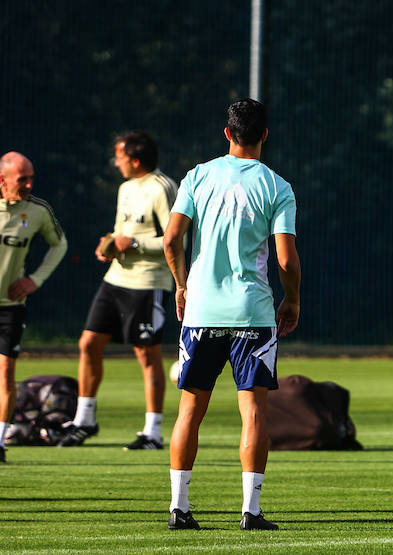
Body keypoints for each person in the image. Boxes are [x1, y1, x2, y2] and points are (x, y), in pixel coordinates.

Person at [163, 99, 300, 531]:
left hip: (202, 312)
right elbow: (286, 260)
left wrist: (182, 286)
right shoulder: (276, 186)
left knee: (190, 410)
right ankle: (250, 511)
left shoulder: (197, 176)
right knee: (253, 412)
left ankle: (179, 508)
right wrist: (291, 299)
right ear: (265, 136)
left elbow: (171, 241)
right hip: (252, 314)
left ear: (227, 133)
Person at [59, 132, 178, 450]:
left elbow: (174, 239)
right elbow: (121, 231)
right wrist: (109, 244)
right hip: (116, 279)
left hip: (148, 283)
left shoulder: (162, 187)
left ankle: (152, 433)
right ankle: (85, 420)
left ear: (136, 160)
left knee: (146, 355)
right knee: (88, 343)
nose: (116, 162)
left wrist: (134, 243)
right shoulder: (126, 188)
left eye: (120, 156)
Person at [0, 151, 68, 464]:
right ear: (3, 180)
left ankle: (0, 442)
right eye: (21, 179)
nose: (28, 184)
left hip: (11, 307)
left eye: (30, 177)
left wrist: (35, 280)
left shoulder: (37, 210)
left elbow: (60, 244)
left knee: (6, 373)